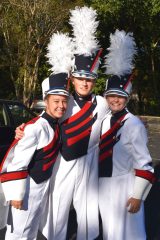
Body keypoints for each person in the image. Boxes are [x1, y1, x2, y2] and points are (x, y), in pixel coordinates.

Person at [15, 6, 109, 240]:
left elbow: (119, 117)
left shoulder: (102, 103)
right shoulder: (63, 101)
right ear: (72, 77)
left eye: (89, 79)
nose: (85, 83)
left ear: (94, 82)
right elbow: (45, 117)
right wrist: (23, 128)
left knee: (88, 215)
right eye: (80, 77)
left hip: (89, 163)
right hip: (63, 163)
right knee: (57, 212)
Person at [0, 32, 73, 240]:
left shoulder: (55, 125)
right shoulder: (35, 128)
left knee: (30, 233)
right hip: (26, 191)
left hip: (41, 189)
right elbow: (17, 162)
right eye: (56, 101)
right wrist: (16, 195)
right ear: (46, 101)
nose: (61, 105)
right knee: (18, 235)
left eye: (63, 101)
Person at [98, 30, 155, 240]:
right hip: (102, 186)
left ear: (127, 98)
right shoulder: (103, 120)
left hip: (125, 187)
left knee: (130, 234)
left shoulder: (134, 125)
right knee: (110, 233)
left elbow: (145, 164)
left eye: (120, 96)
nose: (115, 100)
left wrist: (137, 196)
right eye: (111, 95)